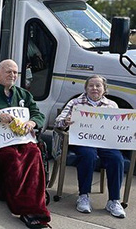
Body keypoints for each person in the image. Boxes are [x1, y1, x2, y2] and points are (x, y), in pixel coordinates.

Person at [0, 59, 51, 229]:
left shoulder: (23, 94)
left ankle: (33, 205)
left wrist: (33, 123)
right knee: (12, 157)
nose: (12, 75)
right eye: (8, 71)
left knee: (33, 152)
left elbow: (37, 113)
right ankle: (22, 206)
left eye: (15, 72)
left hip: (21, 137)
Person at [54, 75, 126, 218]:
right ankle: (84, 196)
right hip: (83, 141)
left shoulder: (112, 105)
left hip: (105, 142)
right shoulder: (76, 102)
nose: (94, 88)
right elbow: (58, 121)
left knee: (117, 159)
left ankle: (113, 200)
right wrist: (66, 122)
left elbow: (120, 127)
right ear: (86, 88)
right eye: (91, 86)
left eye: (98, 86)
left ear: (104, 89)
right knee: (88, 156)